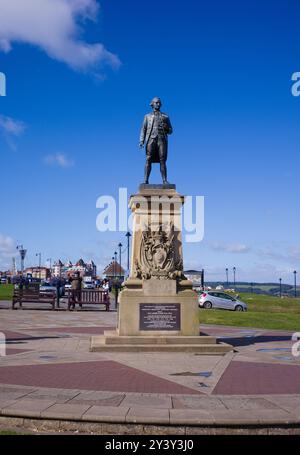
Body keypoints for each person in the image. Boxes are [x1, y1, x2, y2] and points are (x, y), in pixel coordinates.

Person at [139, 97, 173, 184]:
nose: (158, 104)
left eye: (159, 103)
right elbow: (143, 129)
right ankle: (145, 180)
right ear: (152, 104)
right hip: (151, 139)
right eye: (156, 102)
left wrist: (166, 128)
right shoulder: (147, 116)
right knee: (148, 159)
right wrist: (141, 141)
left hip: (162, 140)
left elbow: (171, 131)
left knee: (162, 160)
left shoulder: (165, 116)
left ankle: (164, 180)